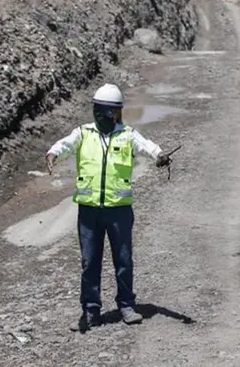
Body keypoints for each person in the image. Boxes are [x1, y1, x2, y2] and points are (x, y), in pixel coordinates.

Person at [45, 84, 170, 332]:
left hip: (119, 211)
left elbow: (148, 147)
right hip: (89, 212)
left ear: (116, 113)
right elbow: (64, 144)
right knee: (89, 262)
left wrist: (160, 156)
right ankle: (91, 310)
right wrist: (52, 154)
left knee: (123, 260)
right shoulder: (83, 133)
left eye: (108, 111)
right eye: (99, 110)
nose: (103, 115)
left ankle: (126, 305)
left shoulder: (127, 135)